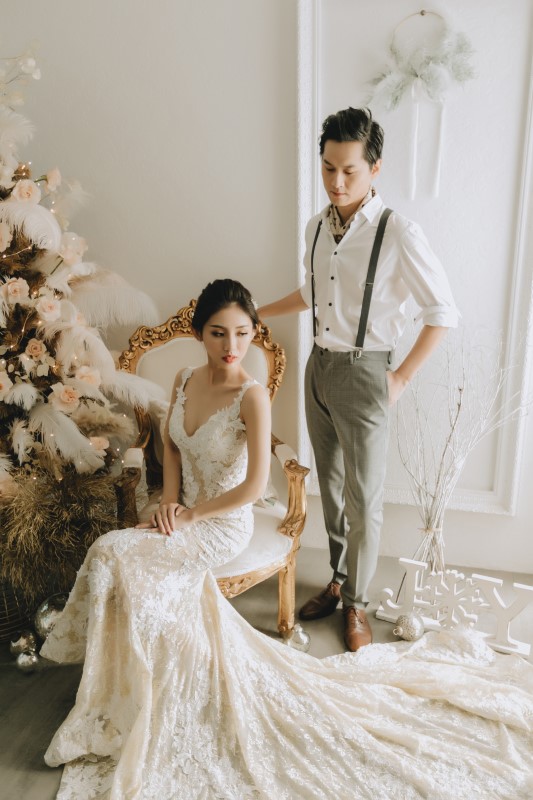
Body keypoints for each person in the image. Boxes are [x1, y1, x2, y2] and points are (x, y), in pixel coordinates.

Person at [41, 279, 533, 800]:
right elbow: (173, 447)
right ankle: (128, 693)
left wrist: (191, 516)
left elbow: (255, 486)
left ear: (255, 333)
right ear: (198, 334)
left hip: (223, 522)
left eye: (243, 333)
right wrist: (167, 503)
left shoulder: (251, 395)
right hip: (183, 511)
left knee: (116, 554)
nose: (231, 346)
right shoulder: (184, 378)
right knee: (111, 553)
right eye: (218, 333)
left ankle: (142, 692)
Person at [259, 107, 459, 652]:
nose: (337, 182)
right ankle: (340, 580)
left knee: (364, 497)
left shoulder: (398, 231)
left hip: (367, 371)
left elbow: (442, 312)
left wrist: (400, 378)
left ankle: (359, 605)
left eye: (349, 170)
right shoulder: (317, 226)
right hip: (319, 368)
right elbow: (313, 294)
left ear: (375, 168)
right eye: (328, 168)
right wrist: (259, 312)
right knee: (332, 486)